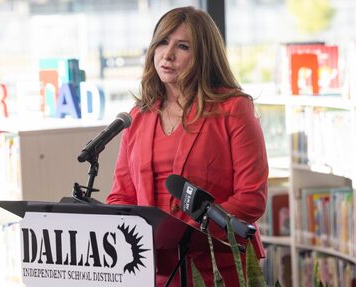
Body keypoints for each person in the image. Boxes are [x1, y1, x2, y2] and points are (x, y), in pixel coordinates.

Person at [106, 6, 268, 287]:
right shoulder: (137, 117)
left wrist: (183, 235)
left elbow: (252, 197)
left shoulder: (234, 109)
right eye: (162, 43)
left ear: (204, 56)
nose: (167, 55)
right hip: (149, 267)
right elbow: (121, 197)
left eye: (182, 46)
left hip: (216, 265)